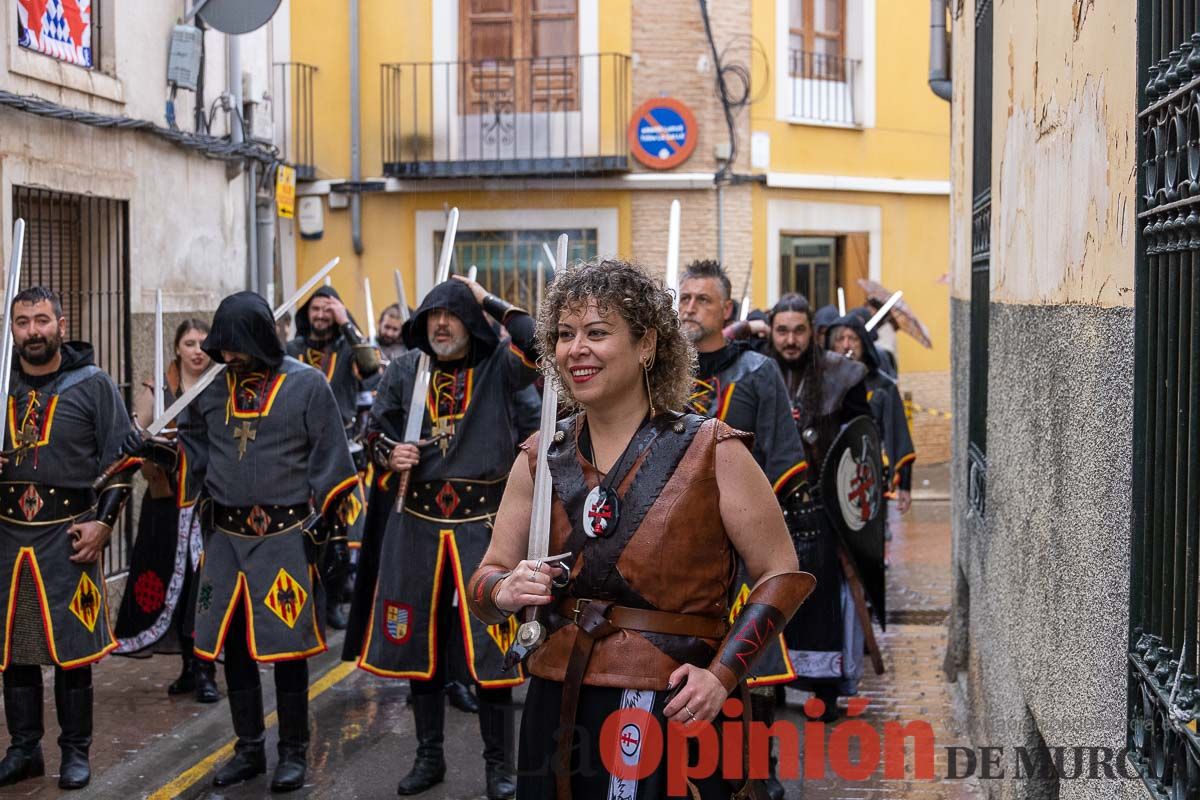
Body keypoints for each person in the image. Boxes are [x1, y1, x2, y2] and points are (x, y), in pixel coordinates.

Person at [466, 259, 814, 799]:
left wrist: (721, 675)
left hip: (673, 698)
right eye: (564, 334)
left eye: (597, 333)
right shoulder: (539, 457)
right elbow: (485, 584)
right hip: (557, 697)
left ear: (647, 344)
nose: (575, 349)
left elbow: (780, 575)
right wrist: (503, 590)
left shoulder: (713, 449)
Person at [132, 291, 360, 792]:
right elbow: (193, 455)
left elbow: (332, 460)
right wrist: (157, 449)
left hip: (284, 539)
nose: (227, 357)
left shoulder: (308, 385)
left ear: (257, 339)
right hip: (226, 542)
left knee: (286, 648)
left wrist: (320, 534)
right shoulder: (212, 391)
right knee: (233, 644)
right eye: (222, 348)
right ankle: (250, 748)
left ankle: (294, 751)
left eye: (235, 346)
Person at [346, 274, 539, 799]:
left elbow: (539, 344)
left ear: (470, 322)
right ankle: (428, 756)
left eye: (452, 315)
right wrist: (389, 451)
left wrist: (487, 299)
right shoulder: (407, 368)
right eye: (433, 317)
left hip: (485, 527)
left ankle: (500, 767)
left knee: (491, 644)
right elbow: (374, 431)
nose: (442, 325)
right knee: (419, 644)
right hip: (417, 524)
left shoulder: (498, 366)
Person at [0, 287, 140, 790]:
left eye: (41, 320)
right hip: (7, 540)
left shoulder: (93, 384)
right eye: (22, 322)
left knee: (71, 651)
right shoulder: (0, 385)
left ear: (61, 324)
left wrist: (104, 523)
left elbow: (124, 461)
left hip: (68, 536)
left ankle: (75, 752)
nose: (33, 331)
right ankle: (24, 750)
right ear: (11, 329)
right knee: (14, 649)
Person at [767, 294, 871, 721]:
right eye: (781, 330)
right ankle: (773, 686)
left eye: (798, 330)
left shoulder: (841, 374)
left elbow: (862, 443)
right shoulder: (758, 370)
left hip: (821, 509)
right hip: (771, 504)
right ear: (770, 332)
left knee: (821, 604)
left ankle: (825, 694)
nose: (790, 340)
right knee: (771, 600)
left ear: (813, 331)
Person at [114, 320, 218, 704]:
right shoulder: (157, 388)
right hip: (165, 503)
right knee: (172, 591)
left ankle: (206, 670)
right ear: (176, 348)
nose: (196, 350)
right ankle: (188, 669)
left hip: (206, 504)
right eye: (188, 343)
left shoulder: (219, 387)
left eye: (202, 343)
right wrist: (142, 440)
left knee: (201, 589)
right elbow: (138, 432)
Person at [287, 285, 379, 631]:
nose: (322, 315)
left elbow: (371, 368)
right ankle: (308, 603)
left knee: (340, 534)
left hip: (342, 454)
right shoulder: (292, 350)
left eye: (329, 309)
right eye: (316, 308)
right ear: (306, 313)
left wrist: (346, 321)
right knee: (302, 532)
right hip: (299, 454)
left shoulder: (348, 349)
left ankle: (334, 602)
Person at [826, 314, 915, 512]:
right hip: (830, 475)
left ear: (863, 343)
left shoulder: (883, 386)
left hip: (870, 473)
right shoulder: (820, 384)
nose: (846, 344)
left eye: (853, 338)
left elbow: (899, 433)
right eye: (840, 339)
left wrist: (905, 486)